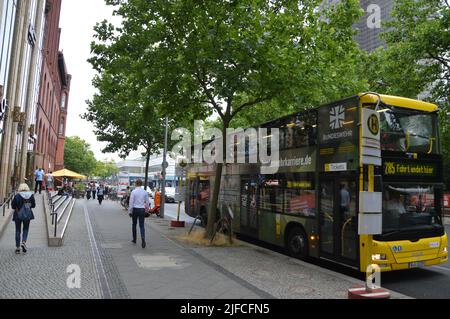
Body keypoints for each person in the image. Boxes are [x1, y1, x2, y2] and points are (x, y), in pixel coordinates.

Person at [11, 184, 36, 254]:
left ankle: (18, 247)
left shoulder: (17, 196)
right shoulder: (31, 195)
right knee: (26, 229)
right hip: (27, 215)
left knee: (17, 230)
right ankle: (24, 242)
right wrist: (28, 205)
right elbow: (33, 205)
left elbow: (13, 206)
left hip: (17, 215)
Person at [128, 180, 150, 248]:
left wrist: (130, 211)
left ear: (136, 184)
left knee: (134, 224)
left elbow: (131, 202)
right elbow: (147, 202)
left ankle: (134, 239)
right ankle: (143, 239)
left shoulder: (133, 192)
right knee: (142, 225)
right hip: (142, 210)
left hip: (135, 209)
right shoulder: (145, 192)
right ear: (141, 184)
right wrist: (147, 210)